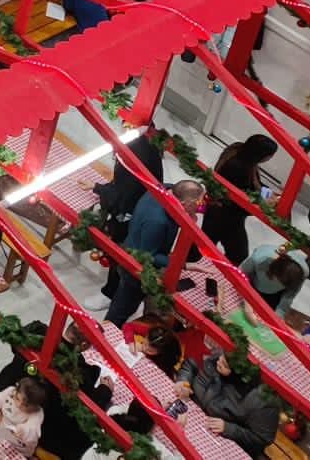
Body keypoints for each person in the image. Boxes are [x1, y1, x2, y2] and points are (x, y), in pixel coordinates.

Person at [105, 180, 205, 325]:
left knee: (128, 301)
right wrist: (183, 265)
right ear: (187, 204)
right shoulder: (158, 222)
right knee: (123, 306)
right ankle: (107, 334)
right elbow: (149, 255)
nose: (200, 207)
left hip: (136, 245)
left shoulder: (165, 188)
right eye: (199, 203)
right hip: (137, 267)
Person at [178, 348, 279, 456]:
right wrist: (184, 381)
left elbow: (261, 439)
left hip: (219, 444)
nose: (219, 361)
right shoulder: (219, 358)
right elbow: (191, 364)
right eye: (222, 357)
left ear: (238, 373)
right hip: (189, 418)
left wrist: (229, 429)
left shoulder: (263, 401)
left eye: (225, 364)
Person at [0, 377, 48, 451]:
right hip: (1, 435)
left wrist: (21, 429)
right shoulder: (10, 392)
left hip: (20, 447)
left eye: (26, 405)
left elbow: (31, 428)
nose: (19, 405)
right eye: (17, 398)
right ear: (16, 390)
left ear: (35, 406)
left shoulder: (37, 413)